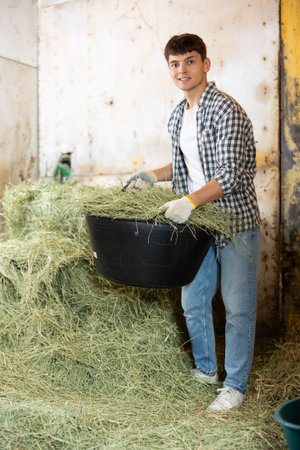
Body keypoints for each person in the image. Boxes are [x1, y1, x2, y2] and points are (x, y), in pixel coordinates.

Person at [125, 33, 261, 411]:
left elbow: (231, 173)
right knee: (194, 301)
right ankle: (206, 371)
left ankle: (235, 386)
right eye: (174, 63)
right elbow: (185, 163)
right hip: (197, 224)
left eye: (189, 60)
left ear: (206, 64)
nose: (182, 69)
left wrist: (188, 201)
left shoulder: (225, 110)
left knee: (237, 307)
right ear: (168, 68)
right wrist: (153, 174)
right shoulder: (177, 116)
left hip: (235, 223)